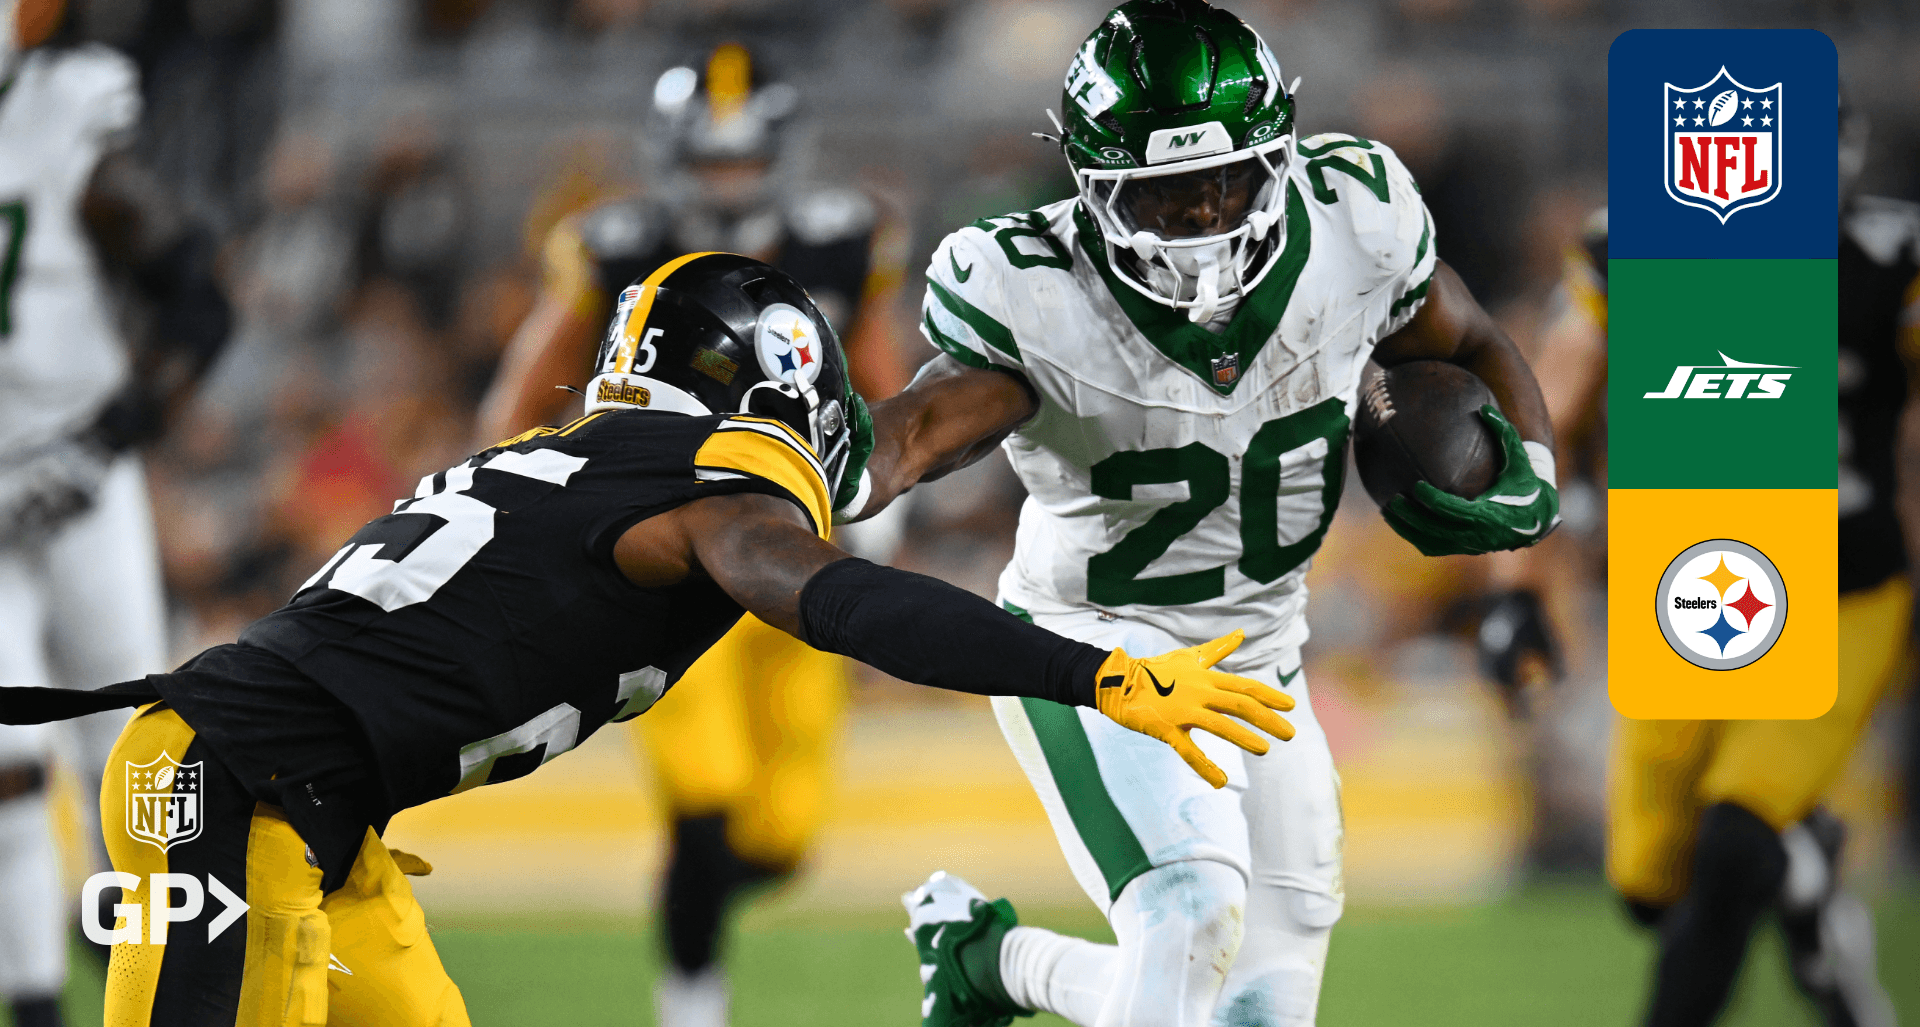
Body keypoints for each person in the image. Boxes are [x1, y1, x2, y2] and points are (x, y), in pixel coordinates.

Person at [0, 252, 1295, 1025]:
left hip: (308, 807)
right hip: (231, 787)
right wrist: (1092, 674)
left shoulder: (579, 458)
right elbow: (846, 602)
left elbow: (881, 475)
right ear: (770, 389)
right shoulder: (704, 490)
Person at [843, 0, 1560, 1027]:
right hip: (1099, 645)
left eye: (1225, 181)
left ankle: (991, 964)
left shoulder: (1355, 226)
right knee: (1189, 912)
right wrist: (821, 474)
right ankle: (991, 964)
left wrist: (1532, 467)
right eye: (1163, 191)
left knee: (1259, 1009)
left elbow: (1470, 338)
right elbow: (920, 428)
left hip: (1263, 654)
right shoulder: (1038, 290)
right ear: (1091, 184)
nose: (1198, 218)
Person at [474, 41, 911, 1027]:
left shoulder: (844, 241)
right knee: (704, 799)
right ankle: (692, 1005)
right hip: (671, 560)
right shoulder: (616, 246)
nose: (728, 180)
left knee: (782, 839)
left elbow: (884, 398)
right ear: (672, 160)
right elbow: (515, 403)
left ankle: (687, 901)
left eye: (745, 157)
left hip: (801, 556)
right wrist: (559, 507)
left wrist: (884, 512)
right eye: (711, 160)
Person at [1605, 96, 1906, 1027]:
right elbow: (1561, 390)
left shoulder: (1890, 262)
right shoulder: (1636, 244)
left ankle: (1783, 853)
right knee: (1649, 887)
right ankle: (1805, 873)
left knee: (1734, 842)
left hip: (1843, 583)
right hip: (1696, 583)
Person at [0, 0, 231, 1022]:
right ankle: (35, 1005)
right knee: (6, 763)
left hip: (79, 482)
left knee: (133, 764)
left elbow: (198, 303)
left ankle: (145, 988)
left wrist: (102, 441)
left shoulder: (66, 111)